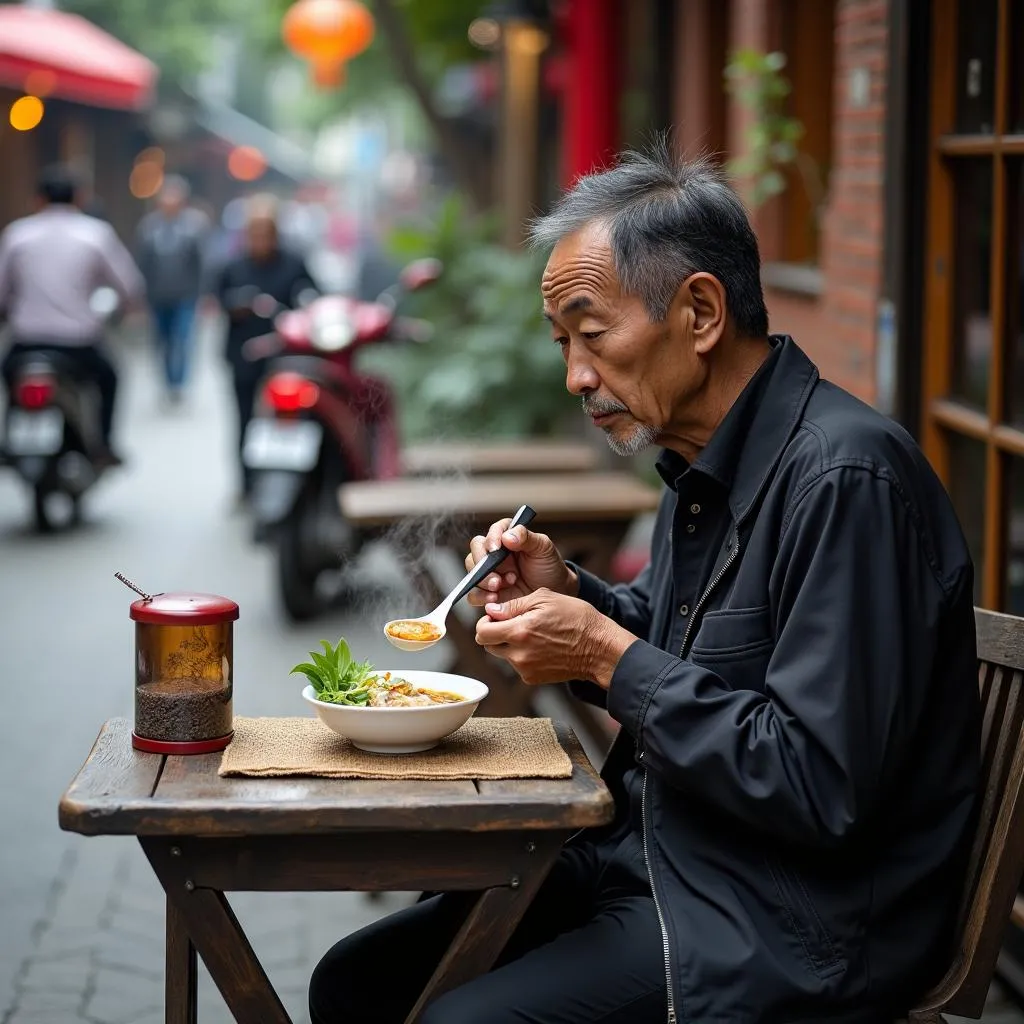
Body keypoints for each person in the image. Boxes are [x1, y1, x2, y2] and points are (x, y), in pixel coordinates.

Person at [308, 143, 982, 1023]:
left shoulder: (844, 480)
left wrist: (600, 649)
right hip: (668, 852)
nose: (575, 376)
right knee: (356, 983)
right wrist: (579, 595)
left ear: (700, 311)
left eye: (593, 335)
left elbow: (821, 785)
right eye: (564, 344)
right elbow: (693, 649)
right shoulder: (705, 458)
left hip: (795, 918)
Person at [0, 165, 145, 463]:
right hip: (77, 344)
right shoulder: (95, 234)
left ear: (38, 199)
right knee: (110, 377)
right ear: (79, 198)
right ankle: (103, 445)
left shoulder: (17, 235)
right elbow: (129, 285)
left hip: (27, 341)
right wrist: (125, 309)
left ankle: (7, 440)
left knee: (9, 380)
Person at [211, 195, 316, 500]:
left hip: (286, 356)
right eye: (254, 233)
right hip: (244, 355)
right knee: (244, 420)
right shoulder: (233, 266)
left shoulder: (293, 263)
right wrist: (239, 305)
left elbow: (311, 293)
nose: (259, 240)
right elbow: (219, 300)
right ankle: (245, 485)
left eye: (265, 233)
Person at [135, 175, 209, 403]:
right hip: (158, 296)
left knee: (182, 339)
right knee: (162, 340)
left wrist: (205, 294)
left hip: (185, 295)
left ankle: (179, 383)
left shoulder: (194, 226)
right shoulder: (149, 227)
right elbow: (142, 263)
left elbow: (202, 263)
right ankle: (167, 381)